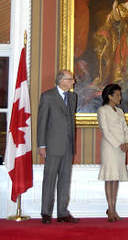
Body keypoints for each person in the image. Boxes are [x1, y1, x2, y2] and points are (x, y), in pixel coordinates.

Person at [37, 69, 79, 224]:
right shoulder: (47, 96)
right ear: (62, 80)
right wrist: (41, 145)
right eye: (71, 79)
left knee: (65, 179)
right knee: (49, 179)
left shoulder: (73, 97)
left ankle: (62, 213)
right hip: (52, 145)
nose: (73, 81)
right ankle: (46, 213)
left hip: (68, 145)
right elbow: (42, 122)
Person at [97, 84, 128, 222]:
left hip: (121, 148)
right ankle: (110, 209)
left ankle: (113, 208)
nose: (120, 97)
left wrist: (127, 143)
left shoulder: (120, 111)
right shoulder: (102, 110)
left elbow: (125, 129)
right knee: (110, 176)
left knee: (116, 177)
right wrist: (119, 144)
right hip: (110, 148)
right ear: (109, 96)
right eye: (117, 95)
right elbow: (105, 131)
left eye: (120, 95)